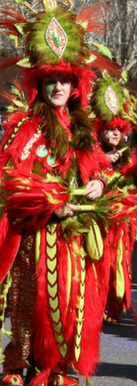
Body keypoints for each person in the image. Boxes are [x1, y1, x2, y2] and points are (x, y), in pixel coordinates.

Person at [0, 0, 117, 386]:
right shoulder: (26, 125)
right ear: (38, 85)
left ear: (77, 86)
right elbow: (12, 179)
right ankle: (17, 365)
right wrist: (54, 203)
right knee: (29, 301)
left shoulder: (84, 129)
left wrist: (97, 185)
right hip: (35, 233)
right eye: (50, 81)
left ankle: (57, 367)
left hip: (73, 237)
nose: (58, 88)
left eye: (65, 81)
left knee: (71, 302)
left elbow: (99, 170)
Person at [90, 74, 137, 324]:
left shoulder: (131, 158)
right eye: (109, 129)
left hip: (123, 226)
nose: (115, 134)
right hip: (98, 223)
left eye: (119, 129)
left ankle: (114, 307)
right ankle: (99, 306)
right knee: (99, 265)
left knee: (119, 267)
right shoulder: (92, 155)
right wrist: (102, 165)